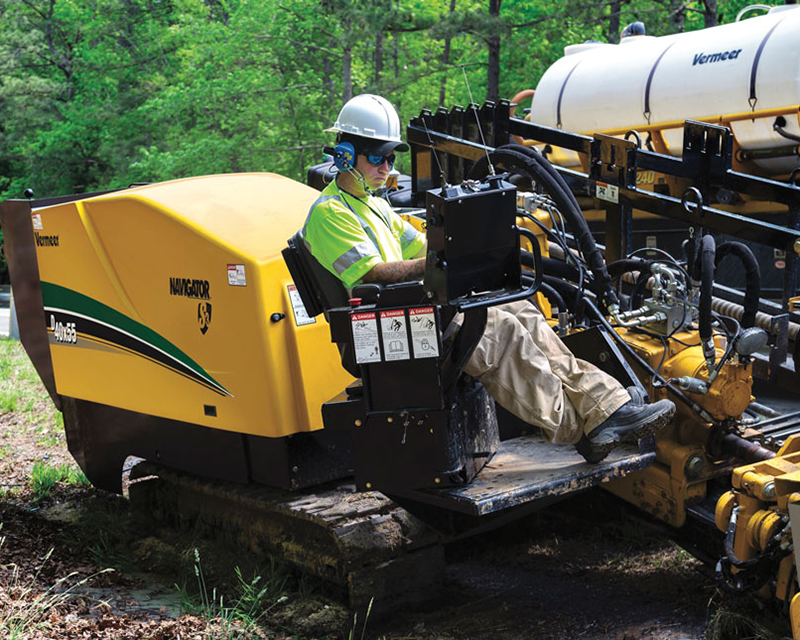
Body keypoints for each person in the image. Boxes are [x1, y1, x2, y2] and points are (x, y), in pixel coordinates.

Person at [301, 94, 675, 461]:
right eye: (378, 157)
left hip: (413, 310)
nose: (387, 167)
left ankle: (605, 406)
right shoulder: (330, 213)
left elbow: (422, 246)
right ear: (345, 155)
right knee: (497, 329)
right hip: (386, 326)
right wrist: (440, 263)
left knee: (520, 310)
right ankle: (582, 427)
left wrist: (466, 242)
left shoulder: (375, 205)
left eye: (391, 156)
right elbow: (372, 274)